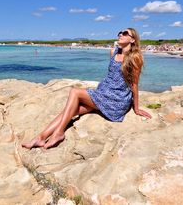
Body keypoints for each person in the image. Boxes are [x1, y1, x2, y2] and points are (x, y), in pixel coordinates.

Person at [22, 28, 152, 150]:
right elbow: (112, 76)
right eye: (120, 32)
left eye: (125, 33)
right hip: (103, 94)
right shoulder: (113, 52)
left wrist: (136, 108)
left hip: (116, 100)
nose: (120, 35)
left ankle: (59, 133)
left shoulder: (135, 57)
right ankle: (40, 138)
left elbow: (134, 84)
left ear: (133, 40)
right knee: (71, 111)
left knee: (75, 92)